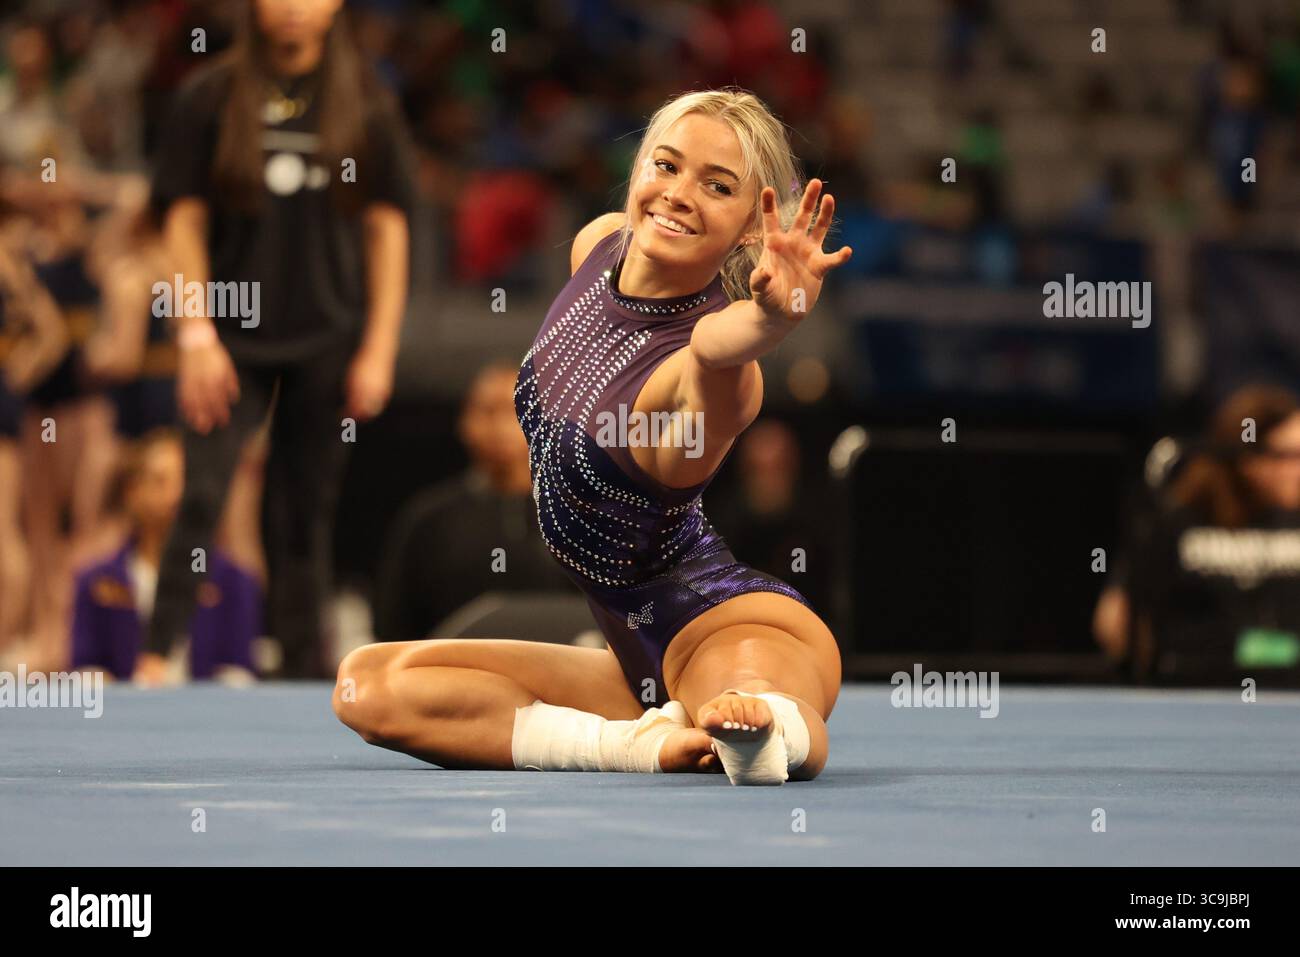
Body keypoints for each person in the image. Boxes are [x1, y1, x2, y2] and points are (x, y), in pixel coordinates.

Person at [335, 88, 852, 785]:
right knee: (366, 685)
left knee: (758, 719)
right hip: (632, 661)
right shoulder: (596, 244)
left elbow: (717, 351)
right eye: (665, 165)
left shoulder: (711, 366)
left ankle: (755, 726)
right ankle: (642, 742)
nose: (678, 193)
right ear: (637, 169)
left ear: (750, 232)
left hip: (723, 628)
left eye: (717, 185)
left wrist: (774, 317)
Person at [141, 0, 414, 682]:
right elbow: (182, 219)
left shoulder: (368, 102)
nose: (294, 6)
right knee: (200, 492)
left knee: (303, 513)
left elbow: (387, 230)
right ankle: (156, 656)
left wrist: (379, 348)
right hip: (229, 339)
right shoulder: (208, 96)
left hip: (328, 335)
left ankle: (302, 670)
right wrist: (195, 333)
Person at [1095, 384, 1300, 676]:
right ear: (1249, 459)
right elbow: (1114, 625)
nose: (1298, 469)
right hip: (1194, 691)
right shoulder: (1175, 522)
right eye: (1288, 456)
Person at [373, 362, 573, 643]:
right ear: (465, 423)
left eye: (516, 411)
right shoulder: (429, 519)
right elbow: (393, 622)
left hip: (554, 672)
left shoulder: (576, 516)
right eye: (489, 411)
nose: (502, 426)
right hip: (448, 671)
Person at [71, 428, 260, 682]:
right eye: (160, 481)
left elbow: (240, 674)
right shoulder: (96, 582)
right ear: (132, 491)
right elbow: (84, 670)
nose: (176, 495)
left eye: (186, 480)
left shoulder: (233, 581)